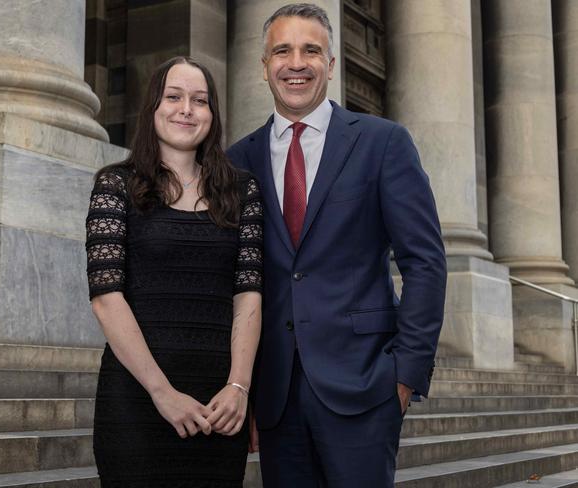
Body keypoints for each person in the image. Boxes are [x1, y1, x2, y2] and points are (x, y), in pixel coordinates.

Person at [227, 3, 447, 487]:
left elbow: (425, 262)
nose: (296, 62)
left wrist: (405, 375)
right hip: (277, 396)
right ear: (264, 66)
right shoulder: (237, 161)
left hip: (366, 386)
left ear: (331, 64)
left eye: (311, 50)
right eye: (282, 50)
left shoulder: (382, 142)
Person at [85, 56, 263, 487]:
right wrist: (162, 393)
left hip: (219, 400)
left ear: (212, 115)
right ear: (153, 108)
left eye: (200, 101)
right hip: (136, 396)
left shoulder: (242, 190)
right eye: (174, 96)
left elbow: (249, 294)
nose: (187, 109)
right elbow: (107, 298)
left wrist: (238, 387)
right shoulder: (115, 186)